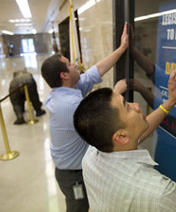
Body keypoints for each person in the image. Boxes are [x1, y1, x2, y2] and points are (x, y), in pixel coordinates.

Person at [73, 69, 176, 212]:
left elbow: (137, 131)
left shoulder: (92, 154)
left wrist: (170, 103)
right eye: (127, 107)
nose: (136, 105)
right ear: (121, 137)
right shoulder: (156, 193)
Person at [41, 23, 129, 212]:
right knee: (78, 208)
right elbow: (101, 119)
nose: (75, 65)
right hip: (73, 176)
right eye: (70, 64)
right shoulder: (69, 105)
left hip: (74, 169)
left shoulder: (66, 90)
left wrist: (122, 48)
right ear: (64, 75)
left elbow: (94, 72)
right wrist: (116, 92)